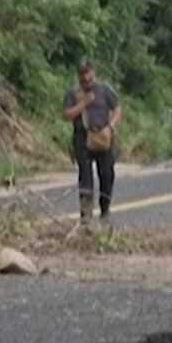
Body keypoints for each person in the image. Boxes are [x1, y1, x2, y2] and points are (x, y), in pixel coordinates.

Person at [62, 60, 122, 222]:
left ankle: (105, 211)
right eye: (83, 77)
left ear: (93, 73)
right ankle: (86, 216)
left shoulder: (105, 90)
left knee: (107, 174)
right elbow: (67, 115)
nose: (86, 80)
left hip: (103, 137)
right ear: (79, 77)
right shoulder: (73, 94)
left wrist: (111, 126)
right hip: (82, 138)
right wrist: (83, 103)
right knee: (85, 177)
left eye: (89, 75)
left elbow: (117, 108)